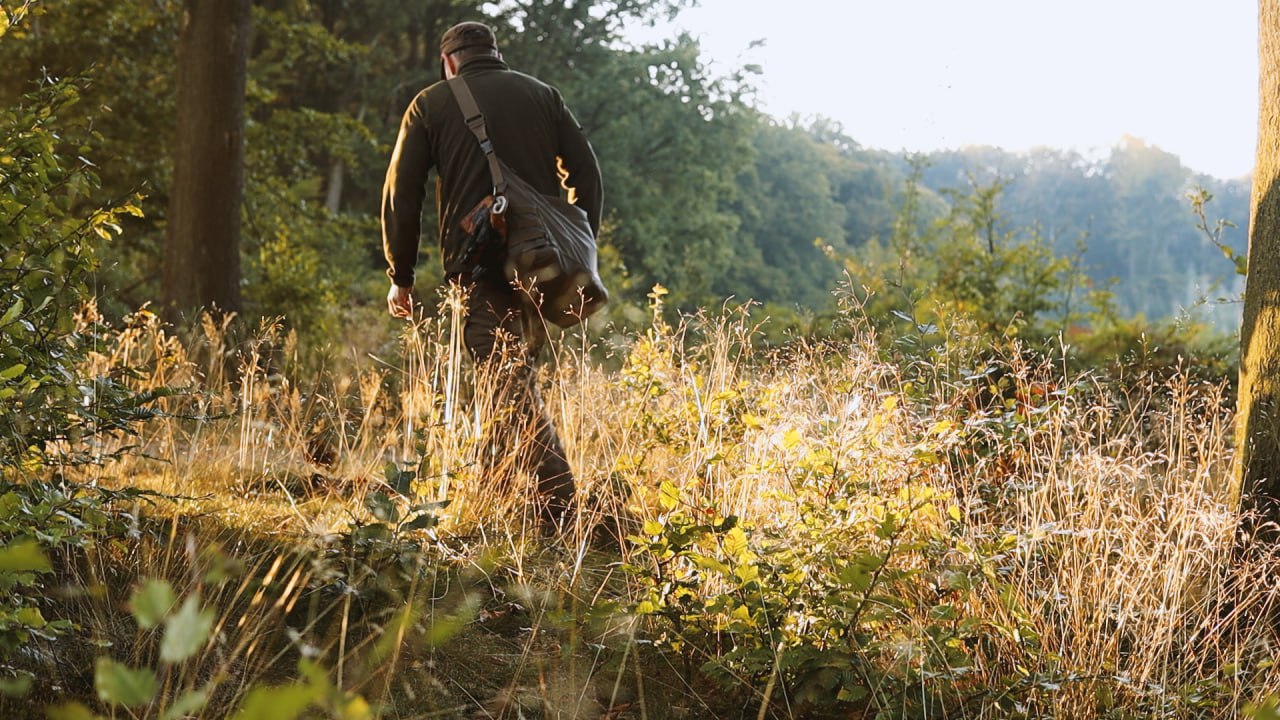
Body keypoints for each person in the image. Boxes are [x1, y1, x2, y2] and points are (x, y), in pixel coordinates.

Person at [380, 21, 604, 529]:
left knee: (505, 383)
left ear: (450, 62)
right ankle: (496, 502)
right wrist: (577, 241)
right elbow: (586, 173)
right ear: (495, 55)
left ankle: (563, 510)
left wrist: (402, 272)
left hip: (478, 268)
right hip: (545, 268)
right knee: (504, 380)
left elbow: (402, 192)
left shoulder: (431, 103)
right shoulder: (542, 95)